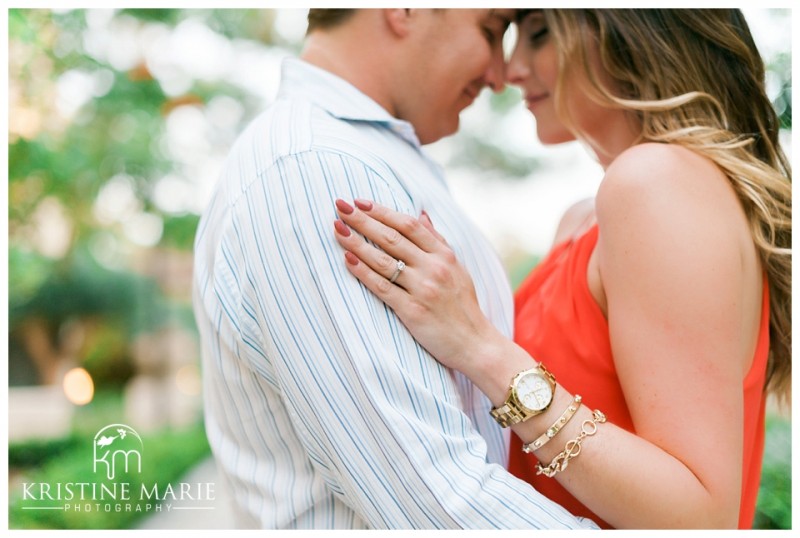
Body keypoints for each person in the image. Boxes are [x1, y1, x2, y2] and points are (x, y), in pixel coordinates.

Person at [333, 8, 791, 529]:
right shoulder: (588, 217)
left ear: (629, 32)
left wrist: (483, 350)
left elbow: (699, 517)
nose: (509, 72)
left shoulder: (656, 183)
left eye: (542, 36)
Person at [192, 8, 598, 530]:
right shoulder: (318, 168)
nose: (500, 76)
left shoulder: (363, 159)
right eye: (491, 31)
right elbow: (434, 500)